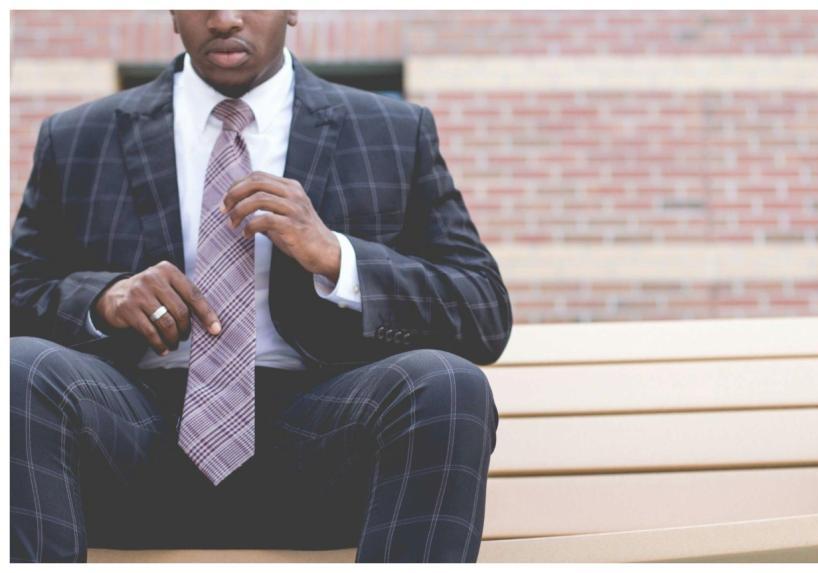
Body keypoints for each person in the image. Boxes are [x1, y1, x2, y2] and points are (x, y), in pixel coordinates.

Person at [9, 10, 512, 563]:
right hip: (128, 441)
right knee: (19, 368)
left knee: (446, 383)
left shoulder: (391, 130)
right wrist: (102, 301)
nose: (224, 18)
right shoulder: (78, 137)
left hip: (323, 447)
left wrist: (336, 258)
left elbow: (483, 311)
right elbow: (17, 296)